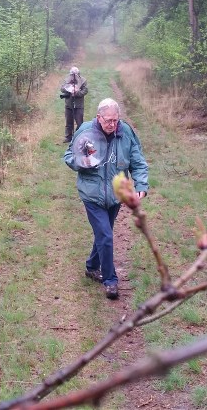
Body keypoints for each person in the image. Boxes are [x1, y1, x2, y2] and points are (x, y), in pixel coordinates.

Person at [63, 98, 148, 299]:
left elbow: (138, 161)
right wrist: (81, 162)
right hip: (92, 194)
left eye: (115, 120)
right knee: (107, 236)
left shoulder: (125, 132)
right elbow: (69, 156)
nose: (112, 124)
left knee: (104, 234)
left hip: (116, 195)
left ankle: (92, 267)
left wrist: (141, 184)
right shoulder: (85, 131)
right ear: (98, 117)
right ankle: (110, 281)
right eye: (108, 120)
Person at [60, 66, 88, 143]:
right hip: (68, 105)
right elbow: (62, 89)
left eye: (75, 74)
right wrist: (68, 88)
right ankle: (68, 137)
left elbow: (85, 91)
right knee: (68, 121)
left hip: (78, 105)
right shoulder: (67, 80)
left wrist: (77, 92)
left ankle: (79, 137)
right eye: (72, 74)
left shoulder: (83, 80)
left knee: (79, 122)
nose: (73, 76)